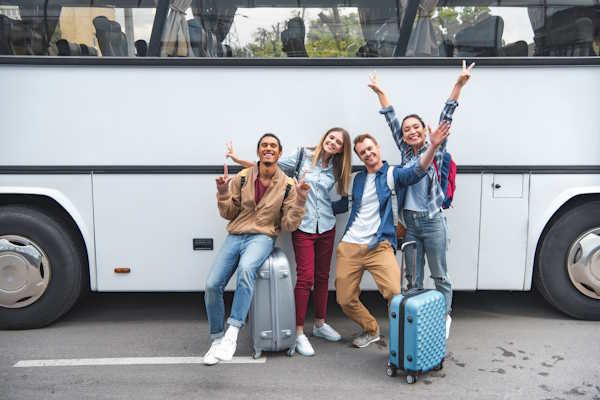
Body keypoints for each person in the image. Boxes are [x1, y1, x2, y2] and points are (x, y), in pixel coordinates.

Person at [367, 60, 475, 338]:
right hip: (411, 224)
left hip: (433, 222)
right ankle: (415, 325)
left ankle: (445, 316)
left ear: (425, 131)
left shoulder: (435, 150)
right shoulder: (405, 154)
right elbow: (390, 117)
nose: (411, 131)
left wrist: (458, 85)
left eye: (416, 127)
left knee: (440, 275)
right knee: (412, 279)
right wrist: (380, 91)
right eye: (407, 129)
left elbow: (446, 115)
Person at [226, 127, 352, 356]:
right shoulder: (303, 155)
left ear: (342, 149)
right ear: (324, 137)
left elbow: (338, 199)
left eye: (339, 142)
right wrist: (238, 160)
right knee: (305, 278)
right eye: (331, 138)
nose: (333, 143)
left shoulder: (337, 168)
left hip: (326, 225)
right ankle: (299, 332)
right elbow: (268, 169)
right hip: (302, 225)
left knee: (323, 277)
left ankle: (321, 324)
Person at [336, 122, 450, 349]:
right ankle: (371, 329)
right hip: (350, 245)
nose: (367, 153)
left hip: (380, 245)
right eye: (362, 152)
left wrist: (433, 146)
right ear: (359, 156)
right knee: (344, 299)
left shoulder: (392, 173)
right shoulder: (358, 179)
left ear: (378, 148)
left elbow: (417, 171)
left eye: (370, 148)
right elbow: (344, 205)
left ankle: (401, 340)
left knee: (395, 294)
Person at [203, 133, 310, 365]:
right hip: (236, 235)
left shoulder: (289, 185)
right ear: (259, 152)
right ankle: (216, 340)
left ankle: (232, 334)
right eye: (264, 145)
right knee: (212, 285)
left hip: (262, 236)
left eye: (273, 146)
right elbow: (228, 213)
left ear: (280, 153)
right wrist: (222, 192)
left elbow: (290, 224)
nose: (268, 148)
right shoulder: (242, 178)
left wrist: (301, 200)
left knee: (246, 269)